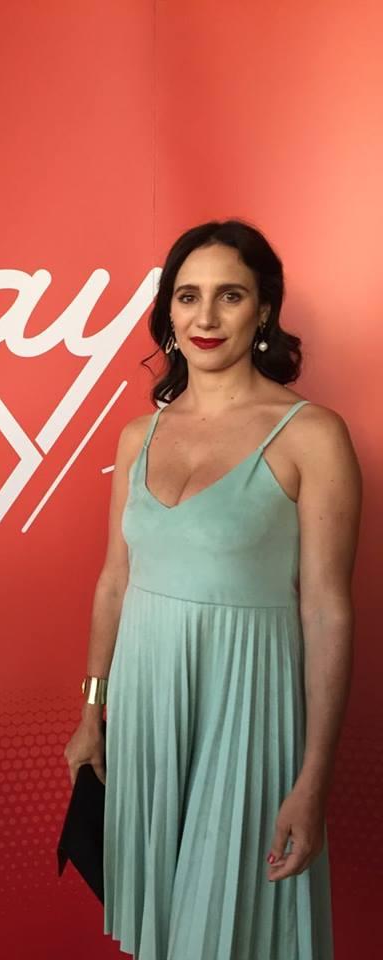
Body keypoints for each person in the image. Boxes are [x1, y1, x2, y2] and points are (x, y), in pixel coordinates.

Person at [63, 219, 362, 960]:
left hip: (248, 713)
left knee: (233, 931)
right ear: (168, 312)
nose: (206, 316)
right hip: (145, 711)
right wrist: (93, 712)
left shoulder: (312, 434)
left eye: (230, 295)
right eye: (187, 295)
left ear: (264, 310)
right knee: (164, 933)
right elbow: (114, 582)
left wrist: (314, 779)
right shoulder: (138, 435)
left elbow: (327, 610)